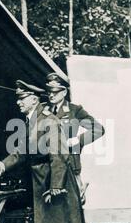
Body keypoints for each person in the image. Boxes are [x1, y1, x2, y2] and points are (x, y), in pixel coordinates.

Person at [0, 80, 84, 223]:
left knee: (55, 222)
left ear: (34, 99)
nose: (18, 102)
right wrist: (2, 165)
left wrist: (57, 186)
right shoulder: (33, 120)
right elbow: (21, 151)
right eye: (18, 98)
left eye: (22, 98)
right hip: (42, 177)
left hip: (53, 177)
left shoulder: (47, 120)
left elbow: (59, 154)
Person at [44, 72, 105, 204]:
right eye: (49, 91)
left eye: (55, 91)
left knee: (75, 209)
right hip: (48, 169)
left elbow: (98, 129)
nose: (51, 95)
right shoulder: (44, 111)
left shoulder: (74, 111)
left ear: (64, 92)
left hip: (70, 167)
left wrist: (78, 140)